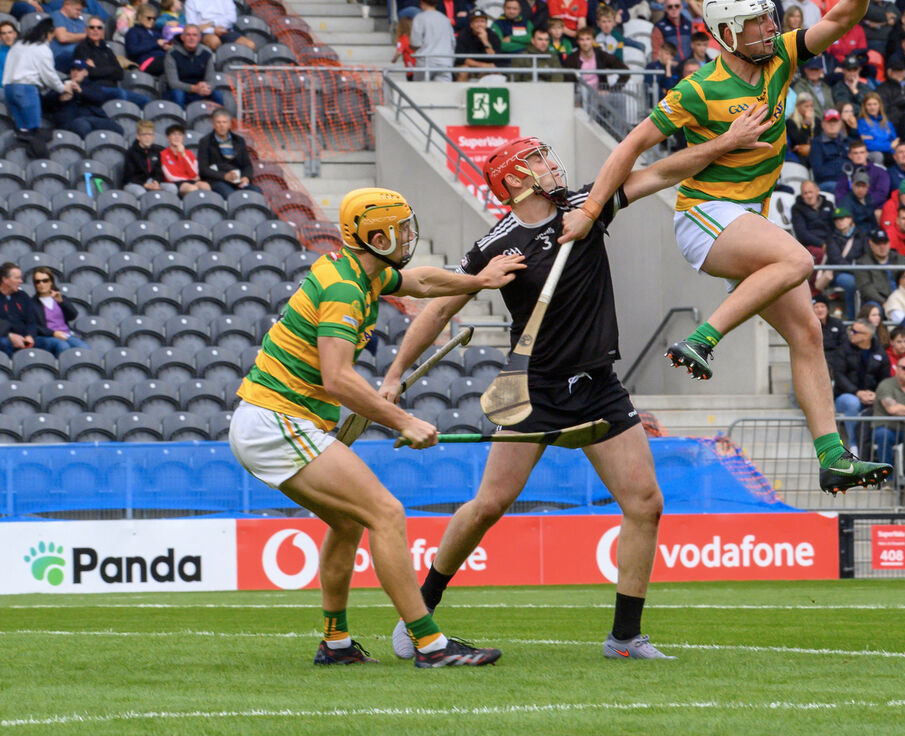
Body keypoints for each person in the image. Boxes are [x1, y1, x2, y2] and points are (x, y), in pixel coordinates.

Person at [386, 130, 764, 662]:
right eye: (537, 159)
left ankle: (625, 639)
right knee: (488, 505)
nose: (550, 163)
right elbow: (440, 308)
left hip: (598, 385)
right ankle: (419, 613)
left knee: (645, 503)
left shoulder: (586, 207)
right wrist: (396, 371)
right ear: (516, 181)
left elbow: (660, 173)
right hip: (534, 388)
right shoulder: (496, 246)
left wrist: (727, 141)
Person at [559, 0, 890, 492]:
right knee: (800, 260)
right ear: (728, 33)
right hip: (704, 216)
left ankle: (833, 457)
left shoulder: (780, 55)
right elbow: (633, 146)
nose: (771, 28)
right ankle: (704, 339)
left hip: (749, 217)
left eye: (769, 18)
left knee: (807, 333)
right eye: (759, 22)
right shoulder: (698, 89)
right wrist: (593, 207)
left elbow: (839, 22)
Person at [229, 188, 522, 668]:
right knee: (386, 512)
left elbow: (422, 282)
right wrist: (404, 420)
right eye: (401, 228)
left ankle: (336, 642)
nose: (409, 235)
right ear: (375, 235)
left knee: (347, 522)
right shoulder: (345, 288)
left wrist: (479, 279)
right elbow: (337, 377)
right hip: (274, 419)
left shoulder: (361, 273)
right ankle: (430, 645)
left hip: (270, 420)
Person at [2, 17, 78, 143]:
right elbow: (49, 75)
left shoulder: (18, 45)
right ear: (48, 33)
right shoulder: (42, 49)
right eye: (52, 35)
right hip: (26, 90)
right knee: (34, 132)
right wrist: (63, 88)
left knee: (22, 132)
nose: (52, 38)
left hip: (10, 90)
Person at [829, 316, 892, 453]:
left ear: (868, 335)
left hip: (871, 396)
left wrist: (876, 395)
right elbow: (839, 376)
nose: (851, 333)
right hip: (845, 396)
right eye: (851, 330)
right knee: (853, 403)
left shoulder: (880, 353)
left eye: (856, 332)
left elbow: (885, 380)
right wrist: (857, 392)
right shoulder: (842, 350)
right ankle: (854, 445)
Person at [184, 0, 256, 52]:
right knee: (215, 42)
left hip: (225, 30)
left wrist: (211, 24)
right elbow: (192, 25)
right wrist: (212, 30)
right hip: (205, 33)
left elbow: (232, 17)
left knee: (250, 45)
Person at [870, 353, 905, 465]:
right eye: (904, 368)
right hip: (886, 427)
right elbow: (893, 409)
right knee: (884, 435)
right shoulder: (886, 385)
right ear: (897, 369)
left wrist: (903, 409)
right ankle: (887, 477)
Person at [198, 108, 259, 198]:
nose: (221, 125)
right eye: (218, 122)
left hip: (238, 180)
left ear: (229, 124)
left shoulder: (239, 140)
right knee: (231, 195)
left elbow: (247, 165)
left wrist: (246, 177)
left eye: (224, 122)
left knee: (256, 192)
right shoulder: (205, 142)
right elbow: (203, 169)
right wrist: (224, 176)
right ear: (213, 125)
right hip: (217, 180)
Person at [29, 266, 87, 352]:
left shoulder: (60, 298)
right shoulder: (32, 303)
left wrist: (62, 302)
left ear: (51, 282)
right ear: (35, 285)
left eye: (45, 280)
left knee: (84, 347)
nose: (42, 284)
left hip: (65, 334)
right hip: (46, 337)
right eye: (38, 282)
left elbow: (73, 315)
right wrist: (53, 333)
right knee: (62, 346)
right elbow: (33, 326)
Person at [164, 24, 220, 109]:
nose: (191, 38)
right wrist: (194, 88)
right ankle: (179, 120)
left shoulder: (206, 53)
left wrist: (206, 87)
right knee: (178, 94)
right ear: (182, 37)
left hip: (199, 91)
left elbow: (211, 80)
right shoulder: (172, 54)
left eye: (194, 35)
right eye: (188, 35)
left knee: (217, 93)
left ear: (199, 38)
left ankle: (223, 120)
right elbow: (173, 83)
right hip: (179, 90)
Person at [159, 123, 209, 195]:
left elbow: (195, 174)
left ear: (183, 138)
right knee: (192, 188)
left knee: (205, 186)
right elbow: (169, 176)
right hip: (175, 182)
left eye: (180, 134)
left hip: (190, 181)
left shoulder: (189, 153)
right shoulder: (162, 154)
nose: (177, 137)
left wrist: (183, 155)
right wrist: (187, 178)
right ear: (168, 138)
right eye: (173, 134)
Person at [123, 119, 165, 195]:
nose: (147, 137)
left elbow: (159, 171)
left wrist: (156, 182)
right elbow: (129, 176)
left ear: (153, 136)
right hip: (134, 184)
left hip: (151, 182)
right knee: (141, 192)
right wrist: (145, 185)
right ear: (138, 136)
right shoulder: (131, 152)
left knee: (171, 188)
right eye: (144, 134)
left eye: (150, 135)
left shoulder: (158, 151)